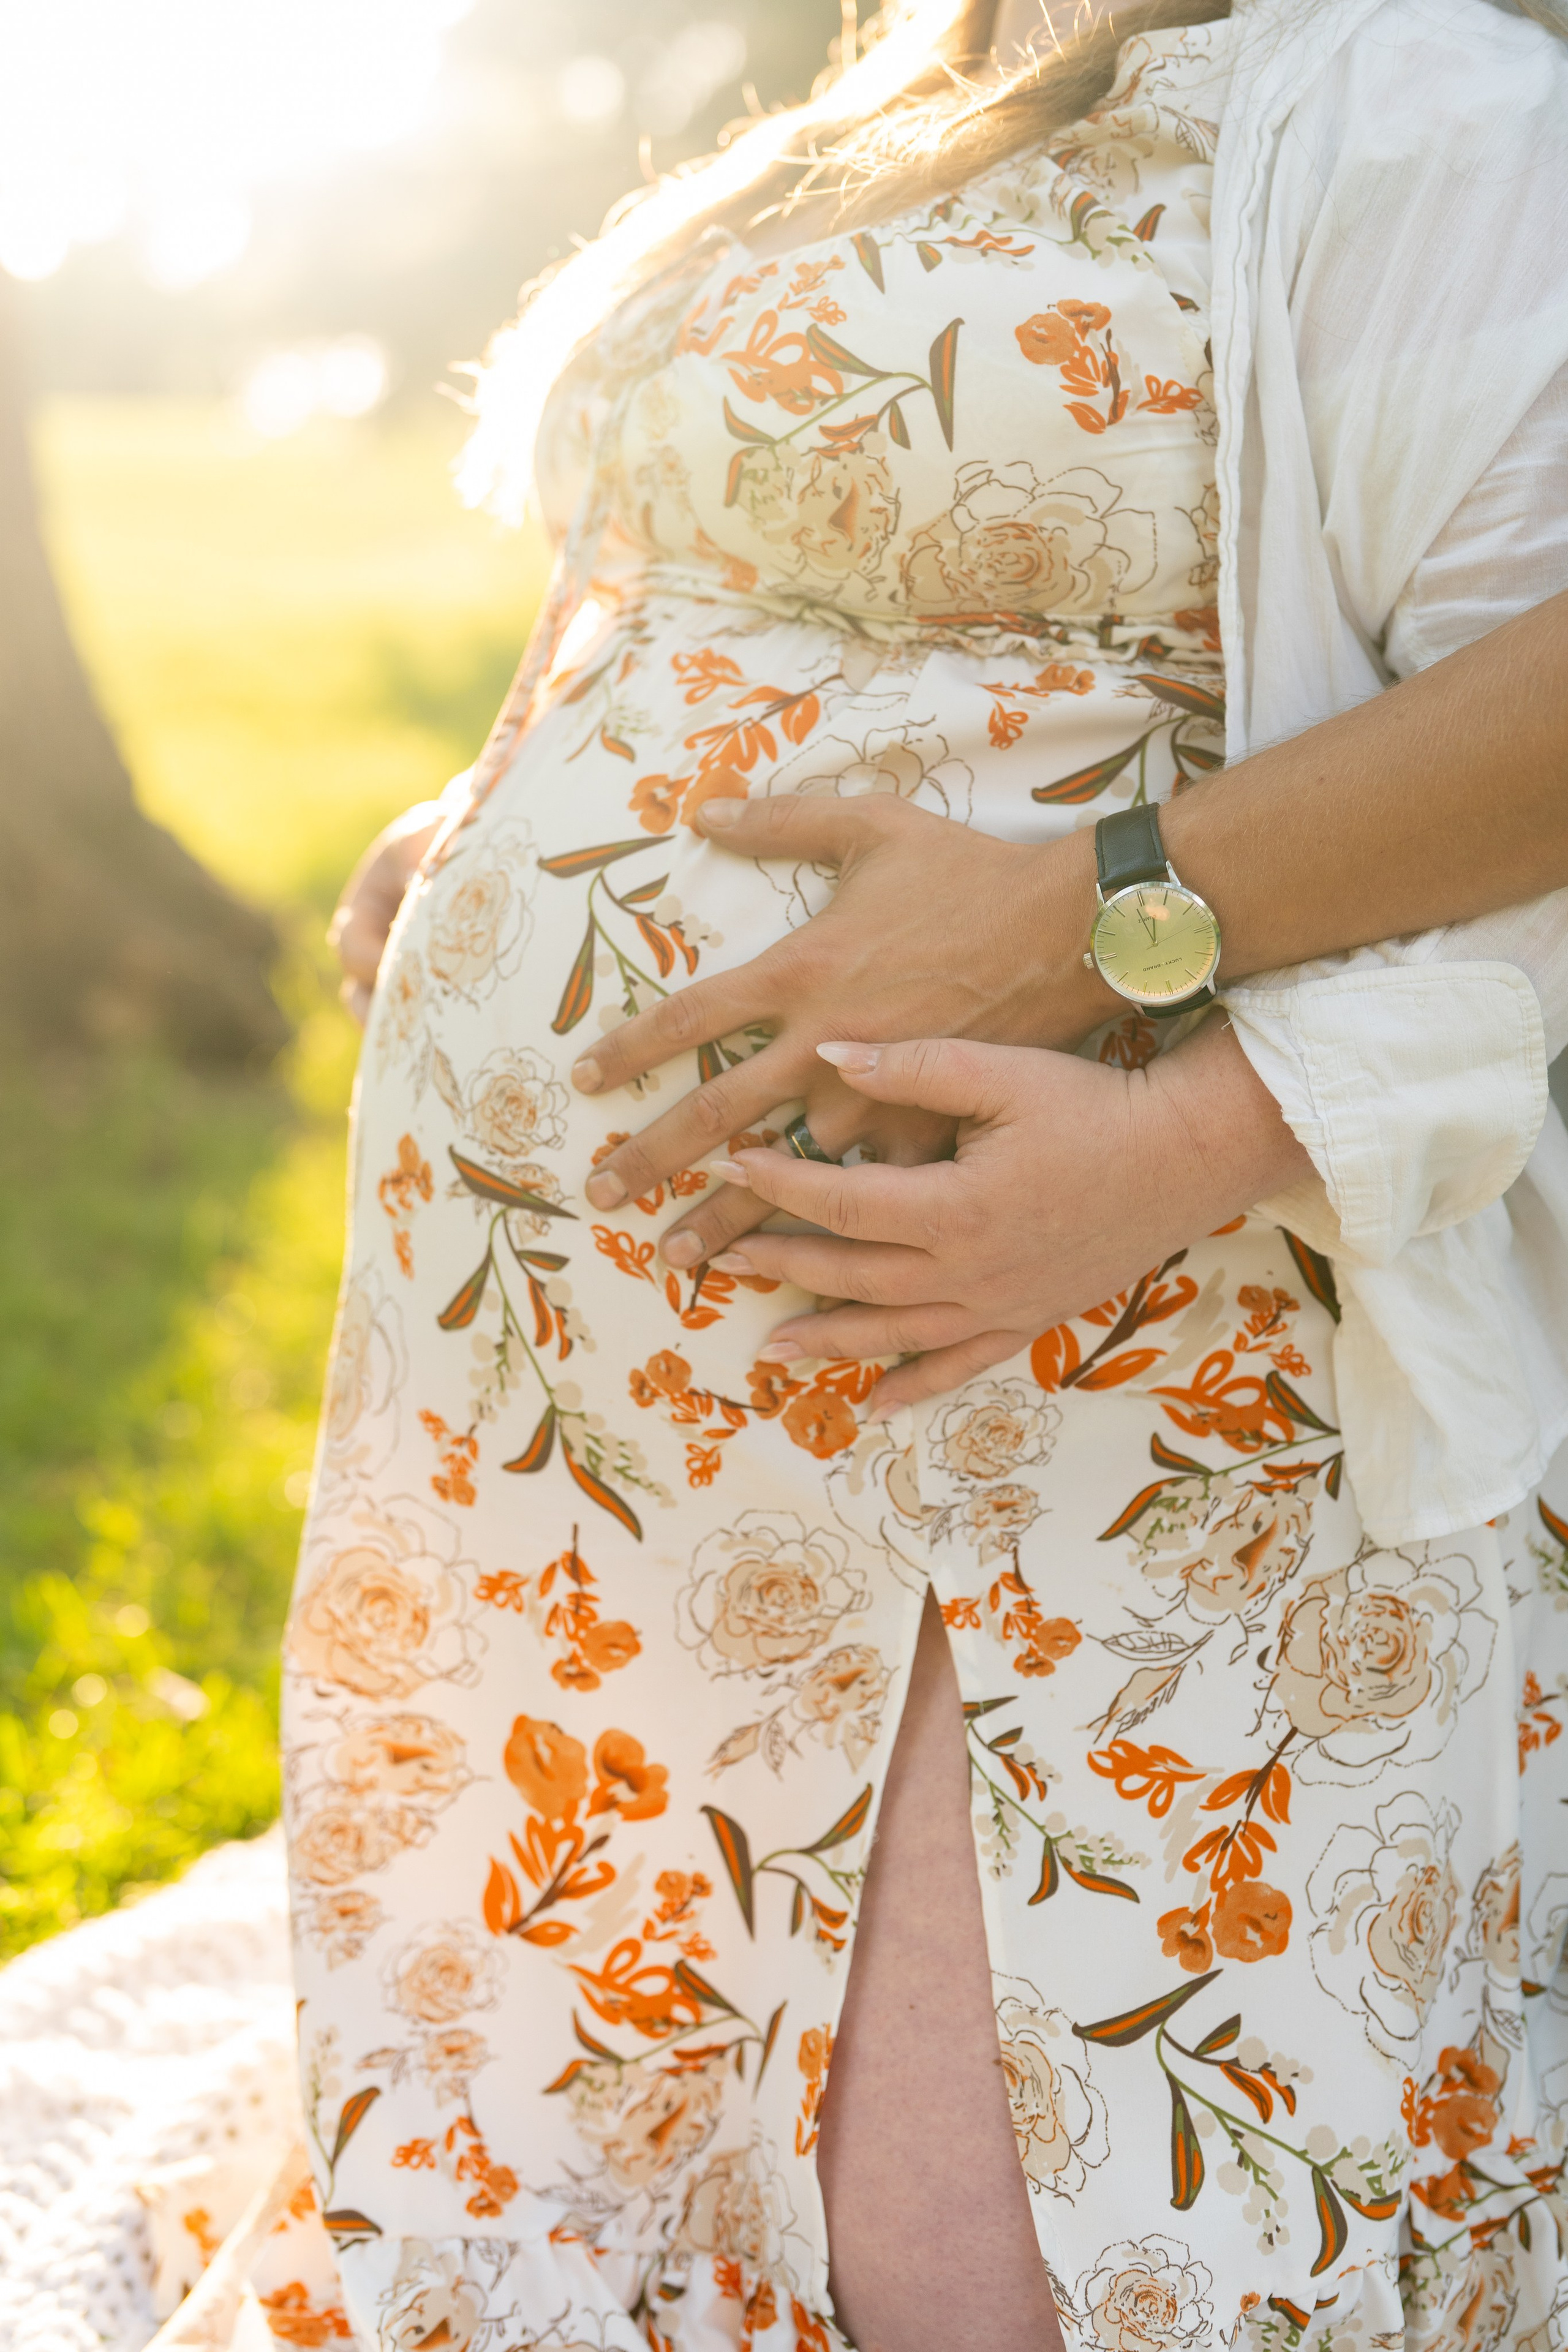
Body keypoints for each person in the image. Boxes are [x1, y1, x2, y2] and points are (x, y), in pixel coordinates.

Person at [287, 5, 1568, 2350]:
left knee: (1015, 2247)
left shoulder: (1427, 96)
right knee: (574, 2077)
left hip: (1075, 1355)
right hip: (588, 1428)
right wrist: (489, 829)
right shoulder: (933, 69)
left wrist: (1165, 1071)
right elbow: (710, 563)